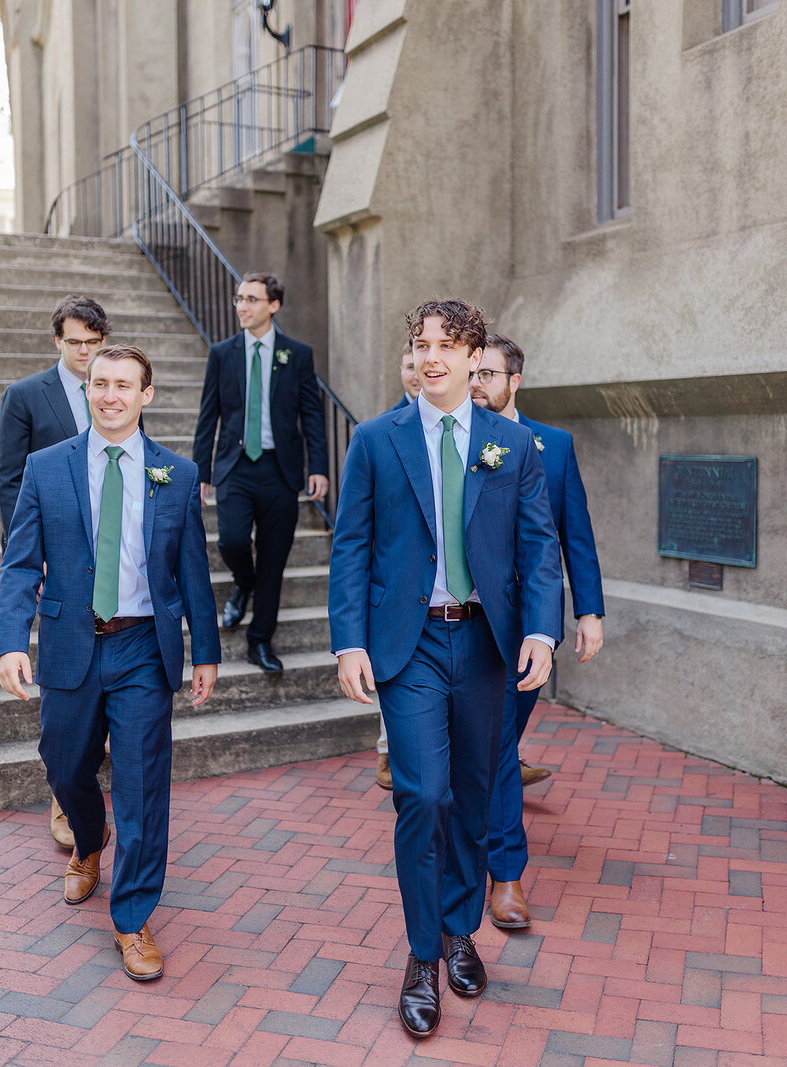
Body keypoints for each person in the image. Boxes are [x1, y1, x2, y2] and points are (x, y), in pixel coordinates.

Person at [328, 299, 562, 1038]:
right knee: (422, 794)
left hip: (487, 642)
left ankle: (463, 929)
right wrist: (349, 641)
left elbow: (537, 547)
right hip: (411, 644)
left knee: (470, 793)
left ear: (473, 358)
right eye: (421, 344)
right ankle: (422, 954)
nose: (431, 356)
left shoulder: (510, 445)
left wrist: (544, 633)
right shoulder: (375, 439)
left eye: (446, 345)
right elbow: (351, 547)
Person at [0, 344, 221, 982]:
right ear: (87, 388)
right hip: (71, 641)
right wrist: (12, 640)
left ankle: (133, 917)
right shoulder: (46, 467)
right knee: (64, 765)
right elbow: (18, 565)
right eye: (100, 384)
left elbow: (192, 573)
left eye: (124, 385)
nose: (111, 395)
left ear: (146, 395)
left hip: (144, 647)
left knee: (144, 785)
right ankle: (89, 843)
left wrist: (205, 649)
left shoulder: (176, 473)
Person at [470, 333, 604, 930]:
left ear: (514, 381)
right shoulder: (450, 438)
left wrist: (588, 611)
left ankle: (488, 859)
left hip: (526, 630)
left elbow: (574, 533)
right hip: (463, 624)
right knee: (495, 750)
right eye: (473, 373)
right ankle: (506, 874)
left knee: (498, 746)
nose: (477, 385)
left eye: (489, 375)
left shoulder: (553, 445)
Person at [0, 294, 111, 849]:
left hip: (109, 557)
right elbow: (11, 480)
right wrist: (28, 549)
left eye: (94, 343)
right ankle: (64, 800)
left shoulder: (116, 389)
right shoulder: (24, 396)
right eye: (75, 343)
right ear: (57, 340)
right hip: (55, 556)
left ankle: (91, 766)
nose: (85, 353)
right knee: (65, 678)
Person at [193, 272, 329, 673]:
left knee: (274, 560)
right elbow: (208, 416)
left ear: (273, 305)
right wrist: (202, 471)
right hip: (235, 466)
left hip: (280, 470)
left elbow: (313, 416)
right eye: (239, 299)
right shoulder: (223, 353)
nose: (242, 306)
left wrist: (317, 467)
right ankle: (244, 582)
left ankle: (260, 641)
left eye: (251, 299)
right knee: (232, 542)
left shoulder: (297, 354)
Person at [375, 342, 423, 789]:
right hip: (399, 595)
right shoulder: (379, 434)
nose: (419, 370)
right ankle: (388, 753)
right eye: (411, 362)